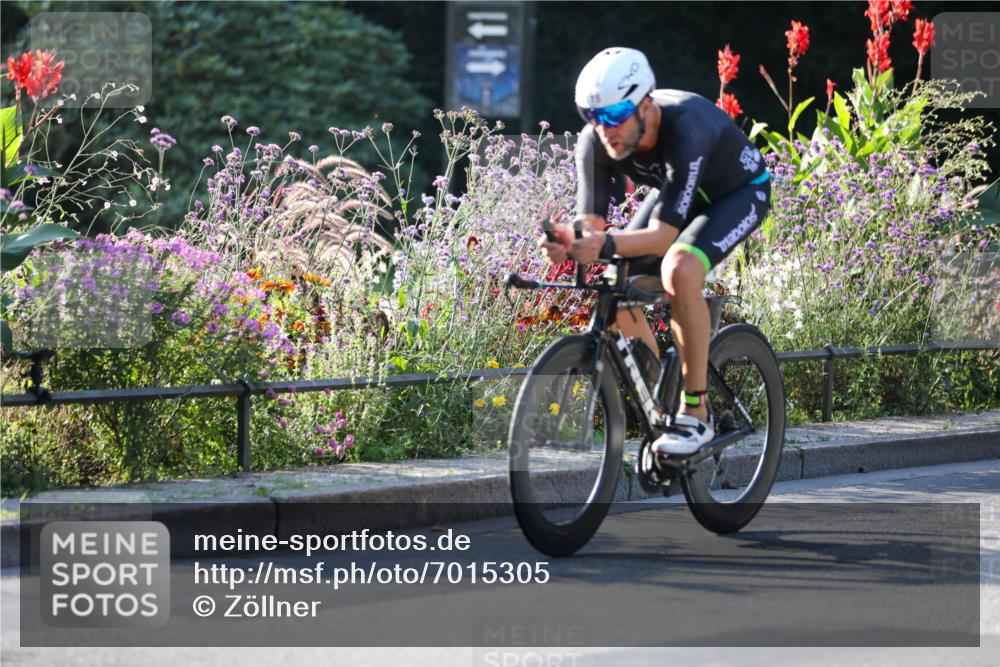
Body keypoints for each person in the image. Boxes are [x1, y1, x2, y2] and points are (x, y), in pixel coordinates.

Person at [539, 47, 771, 455]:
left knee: (679, 270)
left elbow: (664, 237)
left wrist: (604, 244)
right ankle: (662, 407)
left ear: (645, 104)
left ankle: (696, 413)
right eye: (591, 116)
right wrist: (569, 241)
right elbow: (590, 224)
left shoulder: (685, 128)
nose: (602, 128)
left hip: (738, 192)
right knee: (616, 283)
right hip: (679, 194)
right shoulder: (595, 140)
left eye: (613, 116)